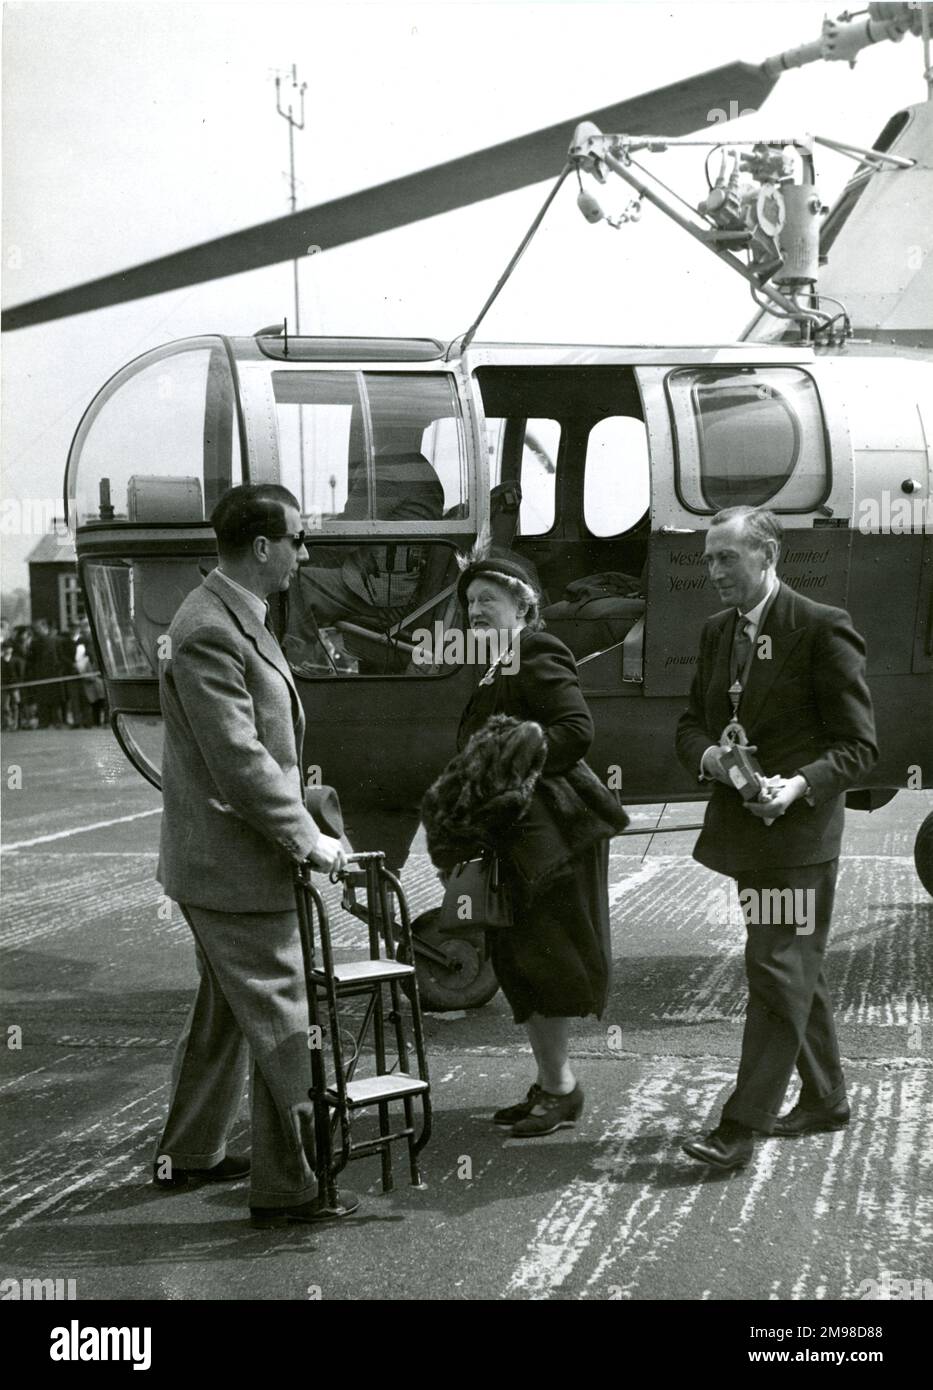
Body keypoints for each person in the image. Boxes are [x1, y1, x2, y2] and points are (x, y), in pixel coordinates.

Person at [154, 481, 357, 1227]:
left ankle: (191, 1151)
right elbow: (239, 763)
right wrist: (309, 841)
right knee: (281, 1018)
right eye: (298, 540)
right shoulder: (210, 628)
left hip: (220, 863)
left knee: (224, 1013)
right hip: (233, 867)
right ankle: (291, 1186)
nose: (306, 554)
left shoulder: (234, 616)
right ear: (265, 546)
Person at [676, 506, 877, 1171]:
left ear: (766, 556)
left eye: (724, 558)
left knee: (772, 967)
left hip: (797, 841)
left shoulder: (820, 629)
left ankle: (739, 1126)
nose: (712, 572)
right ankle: (824, 1098)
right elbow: (689, 724)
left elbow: (858, 749)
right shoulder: (715, 633)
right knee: (794, 966)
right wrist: (709, 758)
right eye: (707, 558)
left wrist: (795, 786)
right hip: (748, 837)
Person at [424, 552, 627, 1138]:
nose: (476, 610)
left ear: (524, 603)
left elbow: (575, 730)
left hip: (551, 841)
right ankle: (552, 1083)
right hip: (515, 840)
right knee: (520, 963)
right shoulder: (493, 667)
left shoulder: (535, 652)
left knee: (548, 962)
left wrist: (509, 769)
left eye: (489, 598)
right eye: (469, 603)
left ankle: (562, 1090)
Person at [26, 618, 64, 728]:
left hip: (50, 674)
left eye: (38, 628)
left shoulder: (51, 641)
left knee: (52, 700)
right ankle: (48, 721)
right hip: (44, 675)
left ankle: (51, 721)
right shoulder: (38, 642)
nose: (36, 631)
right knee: (45, 700)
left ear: (44, 627)